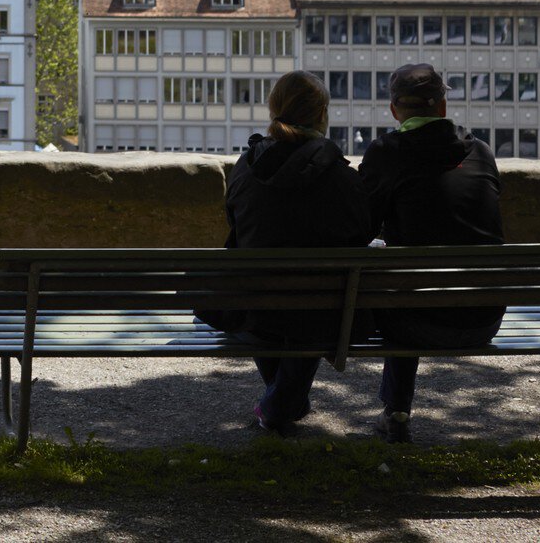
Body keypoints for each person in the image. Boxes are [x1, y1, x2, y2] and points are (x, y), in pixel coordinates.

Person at [205, 71, 371, 431]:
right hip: (321, 313)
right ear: (322, 114)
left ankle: (282, 398)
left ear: (273, 110)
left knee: (273, 301)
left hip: (253, 308)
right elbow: (361, 233)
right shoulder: (342, 177)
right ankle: (281, 402)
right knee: (313, 306)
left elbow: (236, 223)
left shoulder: (245, 169)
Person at [359, 62, 505, 444]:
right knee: (411, 279)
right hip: (484, 317)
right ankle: (396, 409)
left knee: (397, 283)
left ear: (394, 110)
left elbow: (359, 226)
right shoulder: (482, 153)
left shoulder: (385, 153)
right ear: (442, 107)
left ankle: (397, 409)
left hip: (414, 322)